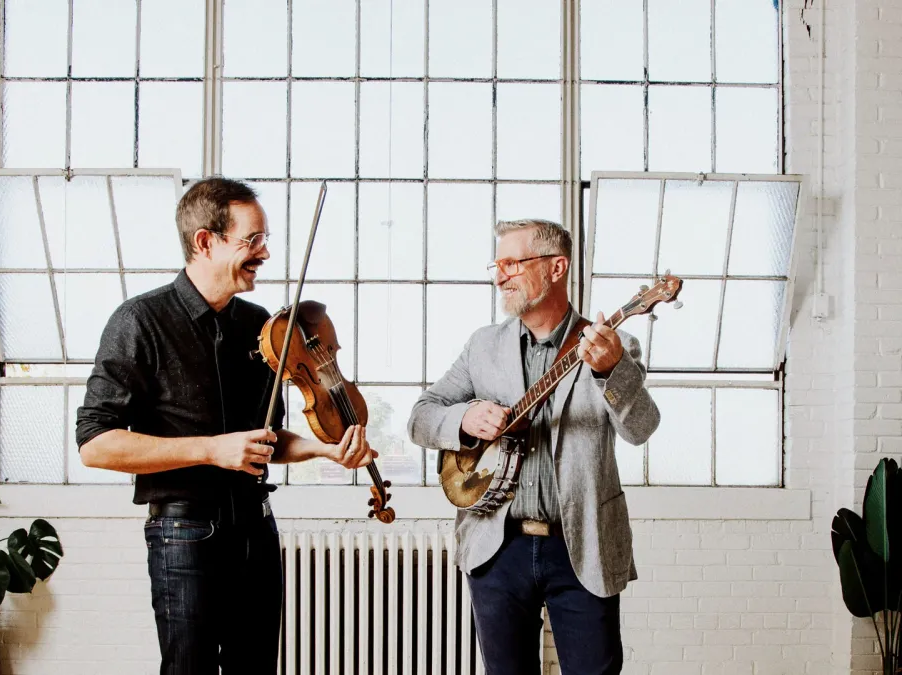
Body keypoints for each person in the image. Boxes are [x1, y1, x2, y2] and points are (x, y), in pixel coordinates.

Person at [76, 177, 376, 674]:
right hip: (184, 530)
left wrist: (325, 450)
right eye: (251, 240)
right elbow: (95, 444)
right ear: (205, 241)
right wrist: (212, 450)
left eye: (265, 240)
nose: (264, 253)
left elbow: (266, 442)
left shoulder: (260, 326)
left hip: (256, 526)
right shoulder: (140, 321)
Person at [408, 218, 660, 675]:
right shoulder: (482, 346)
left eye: (512, 263)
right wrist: (462, 418)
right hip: (495, 547)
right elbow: (422, 416)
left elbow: (641, 428)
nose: (500, 275)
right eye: (497, 264)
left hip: (582, 545)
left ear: (556, 267)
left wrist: (610, 372)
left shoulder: (615, 344)